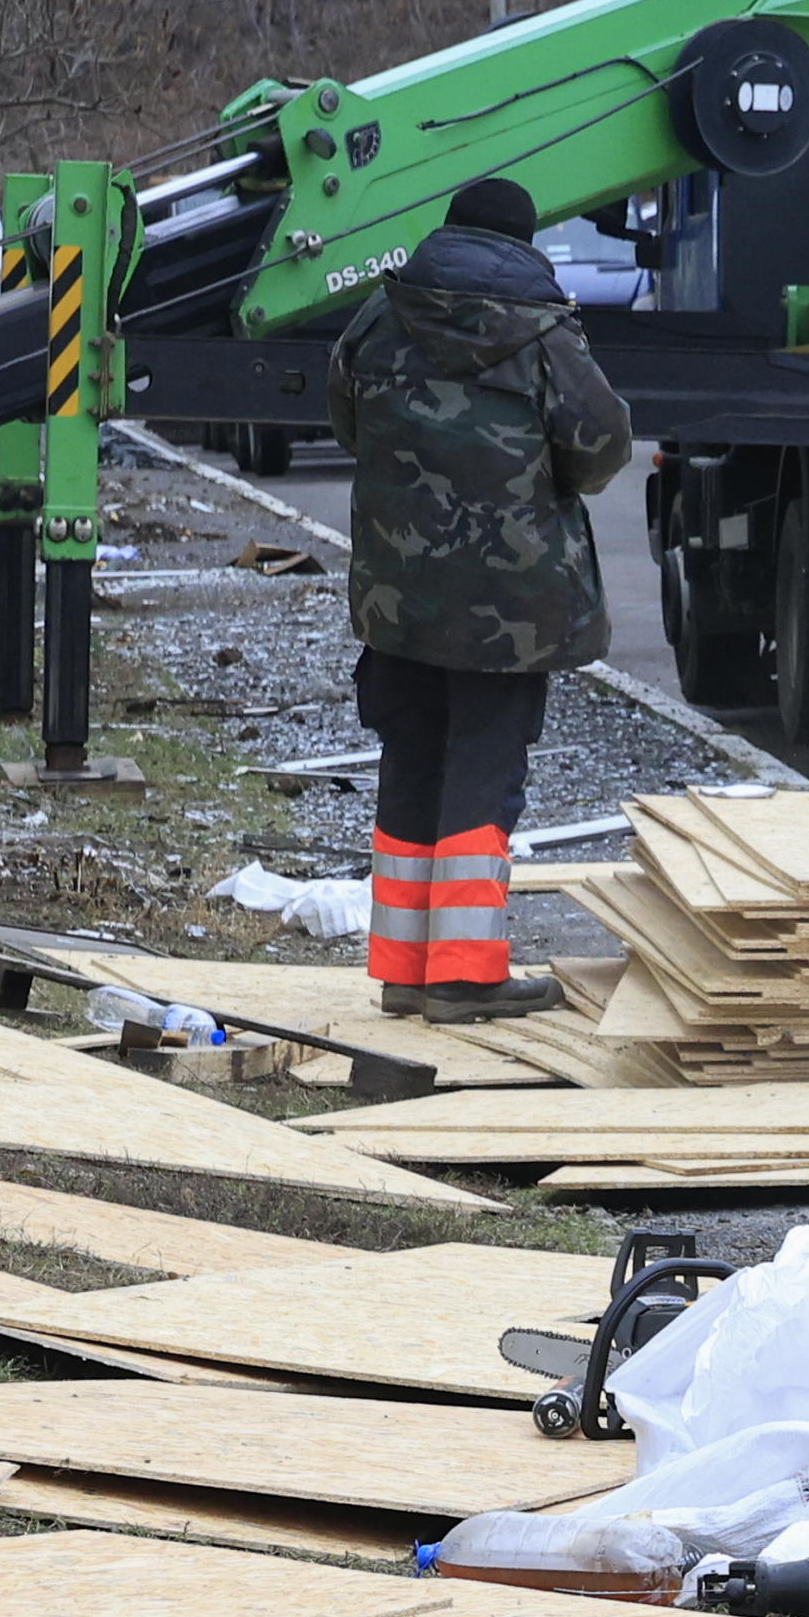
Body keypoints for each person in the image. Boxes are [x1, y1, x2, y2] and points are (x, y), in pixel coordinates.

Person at [329, 176, 631, 1023]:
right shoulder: (543, 335)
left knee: (411, 756)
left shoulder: (381, 316)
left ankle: (403, 968)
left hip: (400, 597)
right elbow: (602, 446)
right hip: (511, 604)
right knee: (483, 770)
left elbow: (347, 420)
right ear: (524, 244)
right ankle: (463, 975)